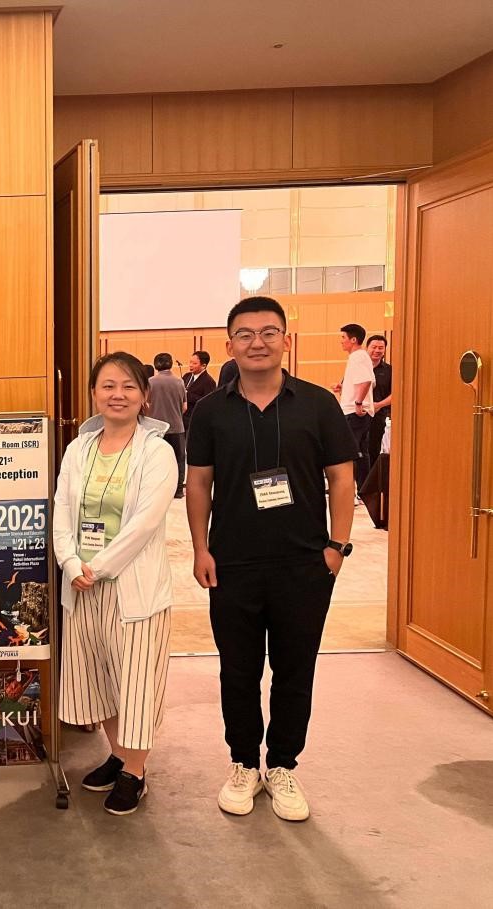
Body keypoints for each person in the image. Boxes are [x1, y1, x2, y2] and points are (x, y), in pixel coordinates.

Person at [186, 296, 357, 823]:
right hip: (232, 565)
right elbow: (199, 484)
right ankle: (243, 763)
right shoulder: (211, 410)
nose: (256, 342)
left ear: (285, 339)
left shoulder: (318, 404)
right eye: (245, 334)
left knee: (294, 671)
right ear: (229, 344)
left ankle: (282, 765)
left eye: (267, 332)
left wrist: (337, 548)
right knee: (237, 672)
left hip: (304, 565)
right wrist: (200, 548)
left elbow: (342, 479)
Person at [53, 352, 178, 815]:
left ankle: (135, 772)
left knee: (136, 683)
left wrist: (98, 566)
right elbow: (62, 509)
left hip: (132, 589)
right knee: (98, 678)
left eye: (128, 386)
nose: (117, 394)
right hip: (82, 585)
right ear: (94, 394)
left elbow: (145, 522)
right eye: (108, 385)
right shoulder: (78, 449)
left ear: (145, 396)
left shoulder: (158, 452)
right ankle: (119, 755)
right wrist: (70, 562)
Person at [335, 323, 375, 490]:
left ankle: (354, 488)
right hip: (357, 412)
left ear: (353, 339)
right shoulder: (360, 356)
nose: (341, 341)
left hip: (354, 412)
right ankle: (362, 489)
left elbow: (366, 381)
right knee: (361, 452)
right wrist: (343, 387)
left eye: (343, 337)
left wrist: (358, 403)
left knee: (352, 452)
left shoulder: (357, 356)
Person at [148, 353, 187, 497]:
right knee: (179, 460)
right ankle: (178, 490)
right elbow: (185, 407)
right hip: (177, 427)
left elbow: (146, 405)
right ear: (170, 363)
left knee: (156, 460)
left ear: (155, 365)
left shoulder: (150, 382)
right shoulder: (179, 382)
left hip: (156, 428)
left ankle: (158, 490)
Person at [366, 334, 393, 471]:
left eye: (380, 348)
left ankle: (371, 480)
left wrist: (379, 405)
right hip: (359, 415)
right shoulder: (359, 367)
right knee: (358, 449)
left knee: (373, 449)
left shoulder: (389, 370)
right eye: (374, 347)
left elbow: (396, 394)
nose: (377, 350)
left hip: (378, 415)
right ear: (367, 348)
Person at [183, 350, 217, 425]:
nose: (190, 365)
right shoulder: (186, 376)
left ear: (203, 366)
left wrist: (188, 395)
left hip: (195, 420)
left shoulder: (209, 381)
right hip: (182, 417)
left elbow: (207, 403)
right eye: (190, 362)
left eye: (194, 363)